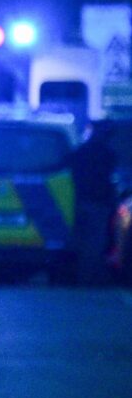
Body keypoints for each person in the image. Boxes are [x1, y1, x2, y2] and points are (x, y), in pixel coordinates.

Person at [70, 120, 118, 284]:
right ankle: (88, 278)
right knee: (94, 242)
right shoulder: (107, 154)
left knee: (82, 240)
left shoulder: (81, 151)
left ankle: (81, 276)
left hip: (79, 201)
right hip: (98, 203)